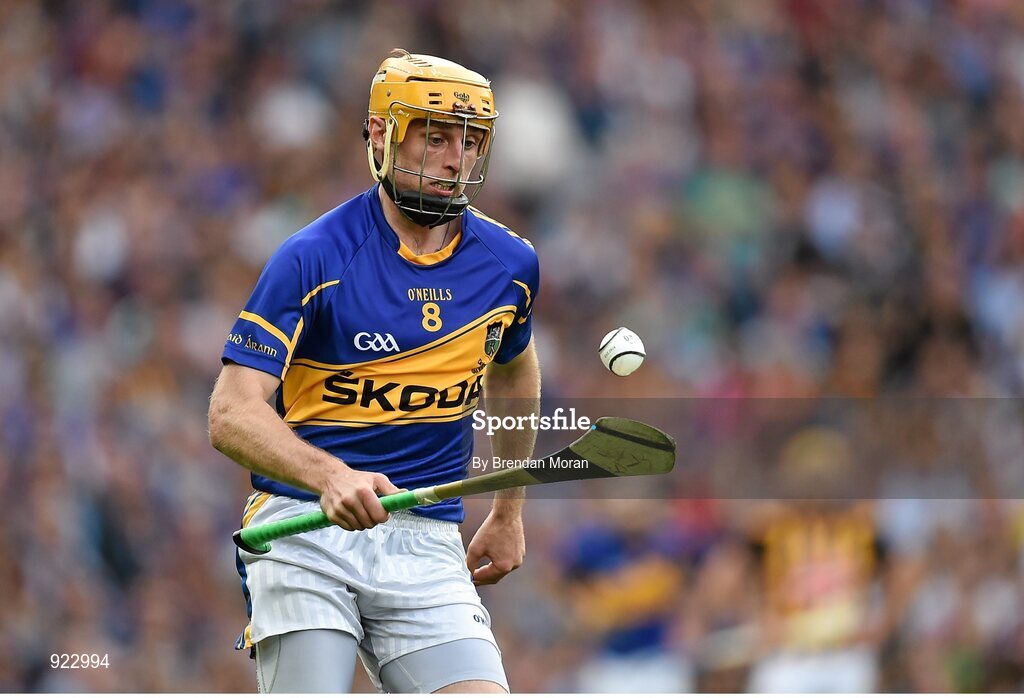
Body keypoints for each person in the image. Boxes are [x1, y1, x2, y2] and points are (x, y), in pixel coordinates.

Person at [208, 48, 541, 693]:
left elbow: (514, 368)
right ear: (384, 138)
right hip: (305, 530)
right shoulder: (311, 256)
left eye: (471, 142)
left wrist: (507, 511)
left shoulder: (510, 264)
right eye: (435, 137)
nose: (455, 158)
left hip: (427, 542)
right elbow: (231, 412)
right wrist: (330, 476)